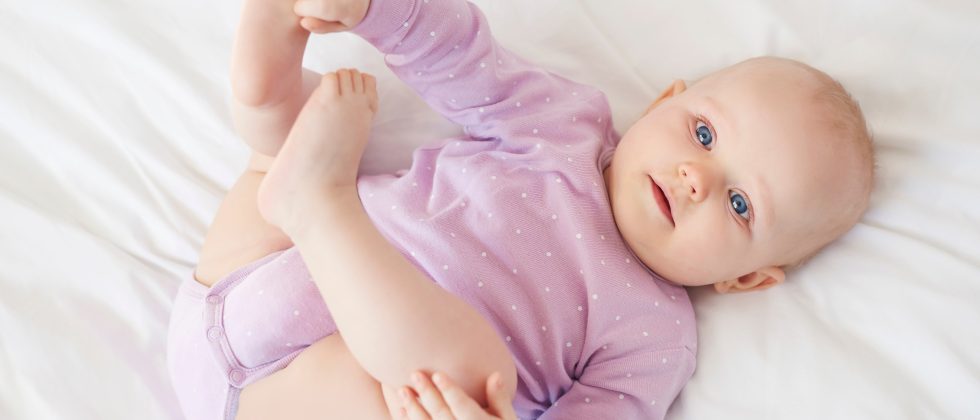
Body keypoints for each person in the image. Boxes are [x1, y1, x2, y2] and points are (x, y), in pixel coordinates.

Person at [165, 0, 875, 417]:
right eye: (704, 134)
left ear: (745, 278)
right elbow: (463, 59)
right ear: (665, 101)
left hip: (323, 391)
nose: (697, 178)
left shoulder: (655, 337)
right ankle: (267, 77)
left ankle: (320, 202)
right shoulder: (565, 124)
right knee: (290, 131)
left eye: (740, 203)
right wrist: (378, 11)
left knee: (471, 377)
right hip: (241, 280)